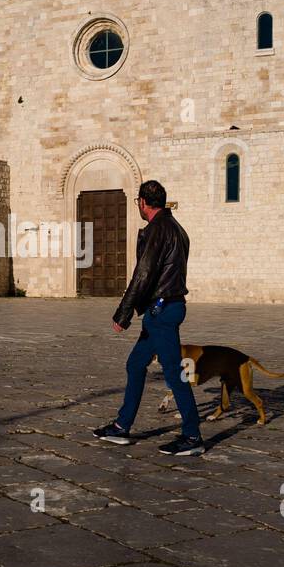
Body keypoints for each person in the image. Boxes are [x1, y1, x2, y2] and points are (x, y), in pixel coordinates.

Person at [93, 180, 204, 457]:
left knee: (173, 372)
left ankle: (192, 436)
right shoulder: (179, 230)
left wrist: (123, 313)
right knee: (135, 364)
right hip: (167, 308)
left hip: (162, 310)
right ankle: (122, 425)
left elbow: (143, 275)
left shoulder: (157, 230)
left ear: (143, 202)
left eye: (138, 203)